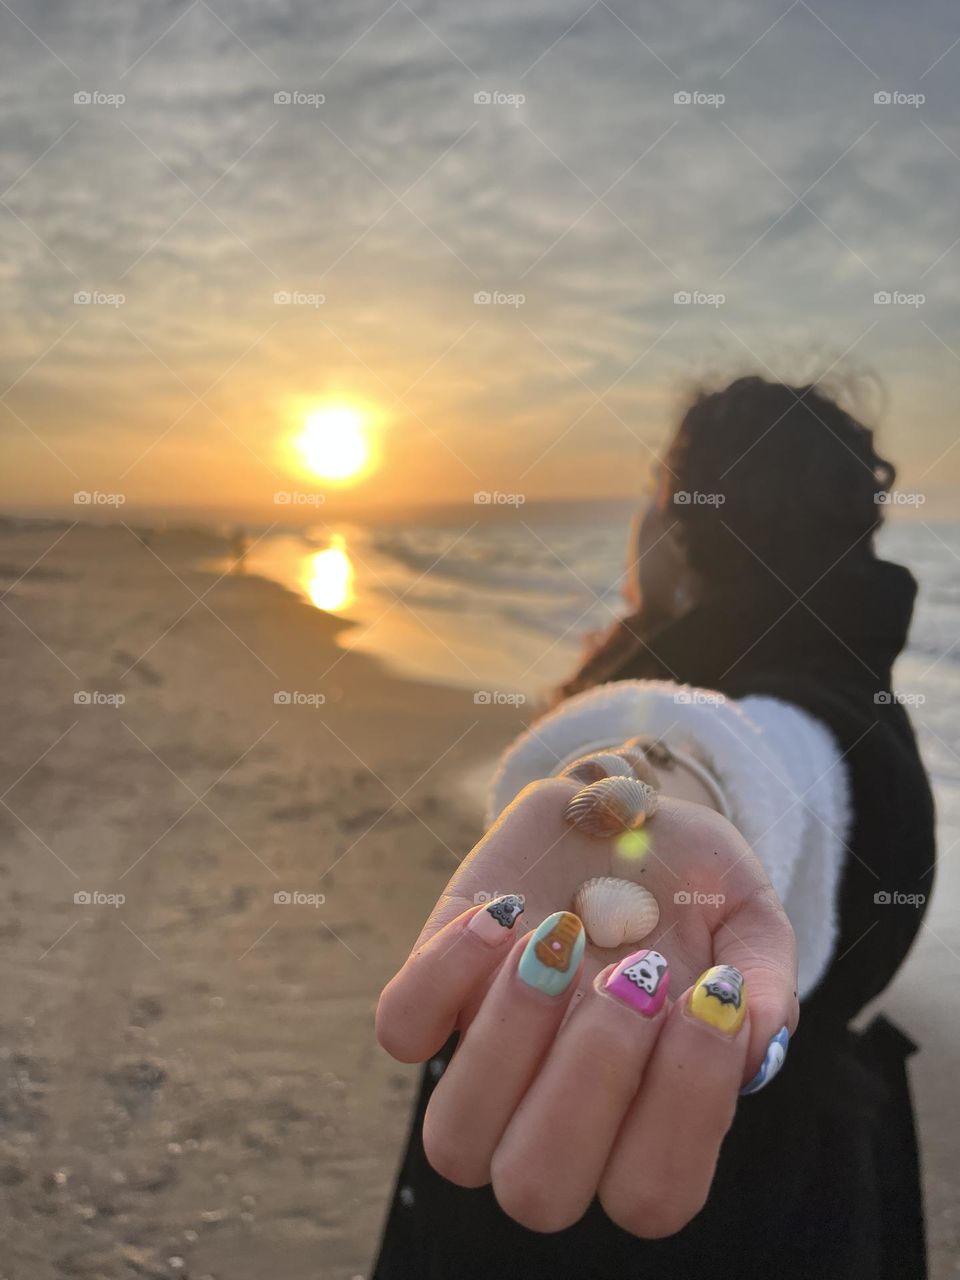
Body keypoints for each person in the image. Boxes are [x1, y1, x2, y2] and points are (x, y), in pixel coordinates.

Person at [373, 375, 935, 1279]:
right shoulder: (868, 697)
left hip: (669, 1216)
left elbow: (753, 761)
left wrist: (664, 785)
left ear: (684, 526)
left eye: (652, 495)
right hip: (811, 1197)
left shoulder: (805, 719)